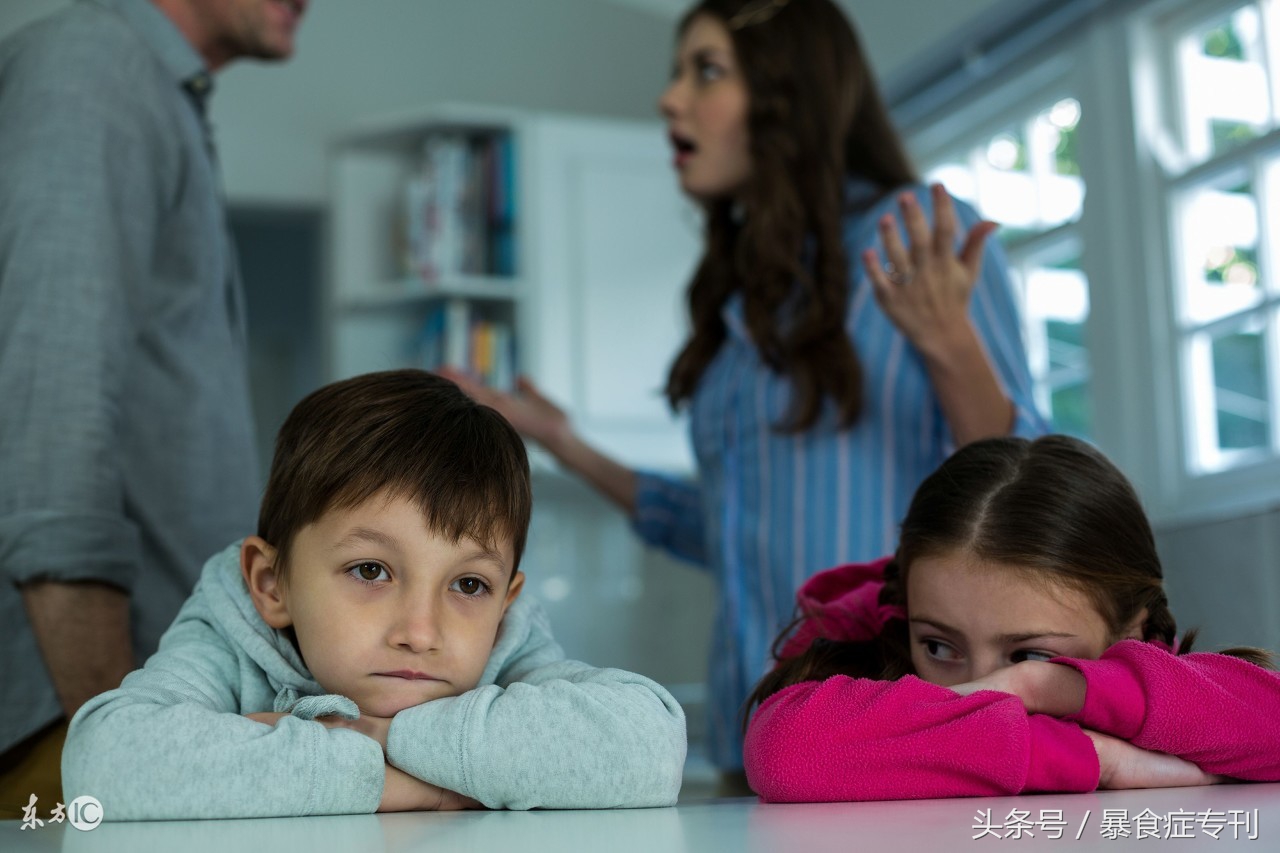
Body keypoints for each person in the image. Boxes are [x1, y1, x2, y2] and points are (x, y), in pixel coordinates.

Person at [445, 0, 1046, 775]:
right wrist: (559, 439)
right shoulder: (745, 303)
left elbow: (1029, 495)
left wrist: (950, 344)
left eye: (707, 71)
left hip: (892, 725)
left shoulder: (912, 242)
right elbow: (729, 528)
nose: (670, 100)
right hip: (757, 727)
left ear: (787, 94)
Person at [60, 370, 687, 819]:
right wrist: (418, 789)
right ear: (270, 583)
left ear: (505, 601)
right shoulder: (228, 627)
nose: (421, 630)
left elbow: (651, 749)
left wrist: (375, 737)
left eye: (469, 584)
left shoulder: (507, 635)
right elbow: (102, 766)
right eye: (370, 571)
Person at [0, 0, 305, 817]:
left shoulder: (152, 89)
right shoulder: (93, 67)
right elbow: (52, 419)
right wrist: (118, 740)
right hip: (77, 712)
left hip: (137, 711)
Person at [742, 435, 1280, 802]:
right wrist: (1100, 760)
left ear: (1133, 632)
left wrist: (1044, 685)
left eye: (1029, 653)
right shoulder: (862, 646)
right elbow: (785, 750)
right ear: (906, 611)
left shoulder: (1149, 678)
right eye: (938, 646)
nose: (984, 689)